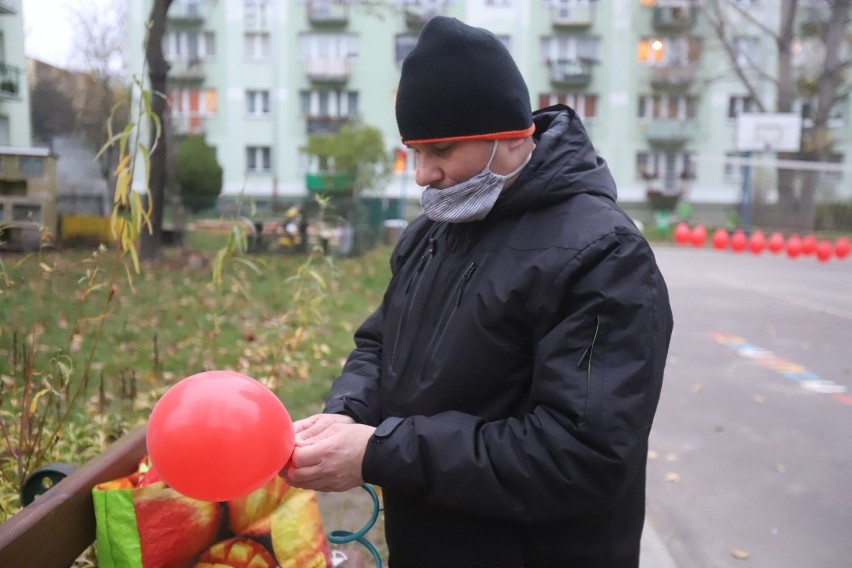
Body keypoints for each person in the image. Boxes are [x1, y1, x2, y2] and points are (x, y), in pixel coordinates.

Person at [283, 16, 674, 568]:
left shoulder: (604, 256)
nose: (422, 175)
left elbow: (580, 456)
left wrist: (382, 454)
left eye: (440, 150)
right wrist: (347, 413)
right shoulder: (433, 233)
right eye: (413, 153)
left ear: (513, 139)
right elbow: (378, 344)